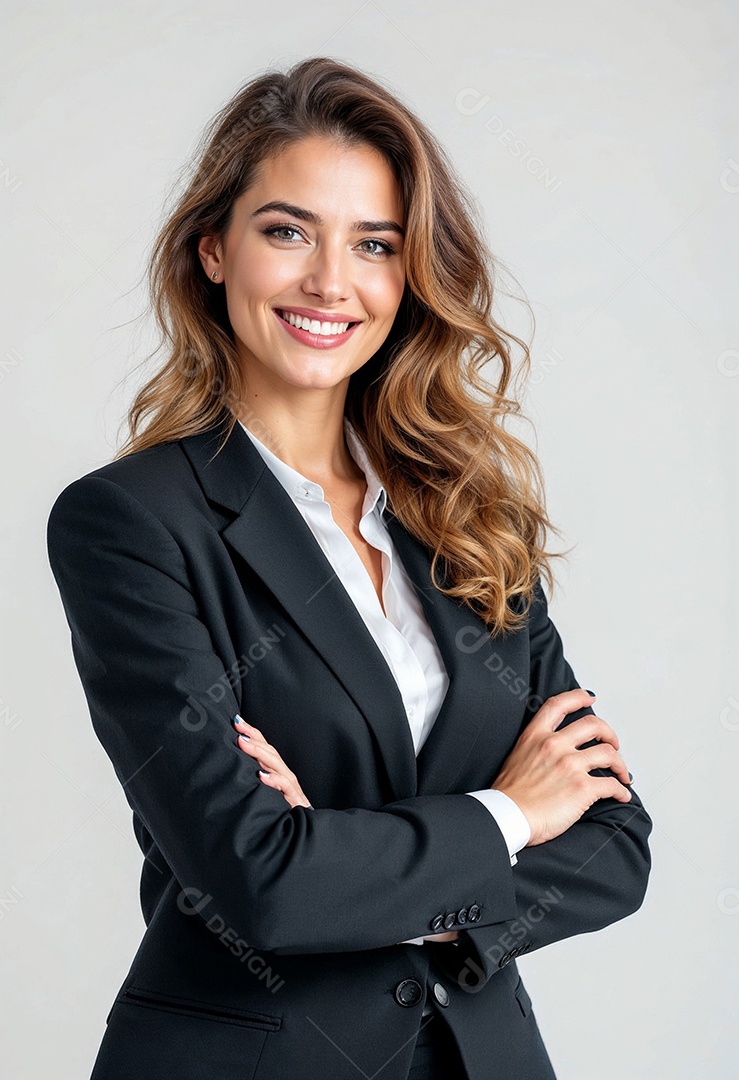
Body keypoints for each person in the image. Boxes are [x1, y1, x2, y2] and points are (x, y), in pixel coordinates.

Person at [46, 56, 652, 1080]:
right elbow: (262, 887)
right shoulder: (129, 525)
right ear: (212, 249)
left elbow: (612, 847)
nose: (332, 283)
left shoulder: (465, 515)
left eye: (374, 245)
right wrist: (507, 814)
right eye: (287, 231)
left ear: (408, 273)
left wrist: (348, 857)